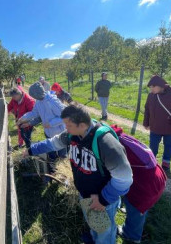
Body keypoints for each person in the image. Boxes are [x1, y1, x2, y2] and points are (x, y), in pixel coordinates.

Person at [22, 104, 132, 244]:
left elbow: (125, 178)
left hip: (101, 197)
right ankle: (94, 237)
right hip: (85, 193)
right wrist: (31, 150)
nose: (65, 129)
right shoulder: (72, 135)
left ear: (81, 125)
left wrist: (103, 199)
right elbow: (52, 143)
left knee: (105, 232)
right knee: (95, 223)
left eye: (68, 125)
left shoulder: (106, 143)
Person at [17, 82, 66, 175]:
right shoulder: (39, 101)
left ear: (38, 94)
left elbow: (64, 116)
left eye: (34, 95)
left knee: (62, 154)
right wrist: (22, 118)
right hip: (49, 133)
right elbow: (34, 112)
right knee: (51, 153)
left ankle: (64, 173)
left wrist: (51, 124)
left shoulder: (53, 101)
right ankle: (53, 171)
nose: (34, 98)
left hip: (59, 133)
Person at [143, 75, 171, 170]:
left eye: (152, 87)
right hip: (155, 127)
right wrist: (146, 122)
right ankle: (152, 161)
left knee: (169, 145)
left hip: (170, 128)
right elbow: (147, 109)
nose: (151, 90)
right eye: (150, 88)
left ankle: (166, 162)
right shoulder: (152, 95)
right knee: (153, 145)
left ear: (160, 85)